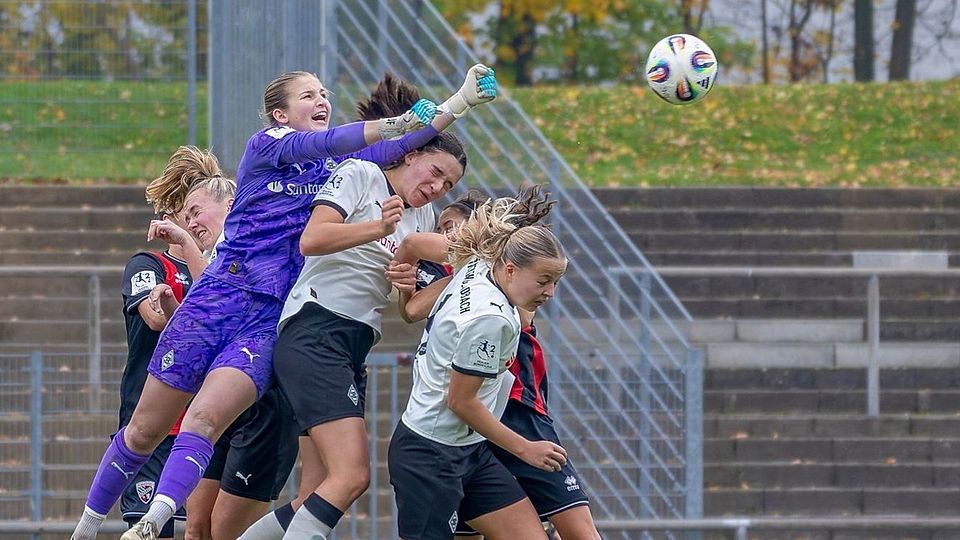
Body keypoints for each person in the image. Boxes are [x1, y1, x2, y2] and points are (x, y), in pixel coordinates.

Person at [70, 64, 491, 540]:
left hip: (270, 318)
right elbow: (342, 144)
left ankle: (152, 523)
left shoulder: (344, 171)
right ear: (280, 114)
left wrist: (459, 102)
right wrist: (400, 125)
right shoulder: (269, 145)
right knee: (144, 432)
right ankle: (85, 529)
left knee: (207, 422)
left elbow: (398, 154)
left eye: (324, 93)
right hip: (220, 296)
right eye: (308, 94)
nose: (321, 100)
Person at [237, 71, 496, 540]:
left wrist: (404, 282)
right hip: (315, 331)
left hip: (352, 342)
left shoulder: (421, 215)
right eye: (435, 172)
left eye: (449, 184)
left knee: (313, 491)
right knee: (352, 476)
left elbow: (409, 309)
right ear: (411, 153)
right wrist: (379, 229)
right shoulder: (359, 174)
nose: (438, 187)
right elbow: (312, 240)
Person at [390, 188, 601, 540]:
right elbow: (460, 402)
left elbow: (417, 266)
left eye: (556, 282)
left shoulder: (479, 263)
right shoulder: (492, 319)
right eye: (543, 281)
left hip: (470, 451)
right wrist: (525, 449)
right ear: (510, 268)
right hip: (431, 454)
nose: (550, 292)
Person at [114, 147, 234, 539]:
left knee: (201, 530)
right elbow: (154, 318)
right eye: (188, 215)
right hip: (155, 429)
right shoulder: (149, 265)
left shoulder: (222, 269)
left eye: (199, 213)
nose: (194, 224)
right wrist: (168, 307)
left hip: (204, 428)